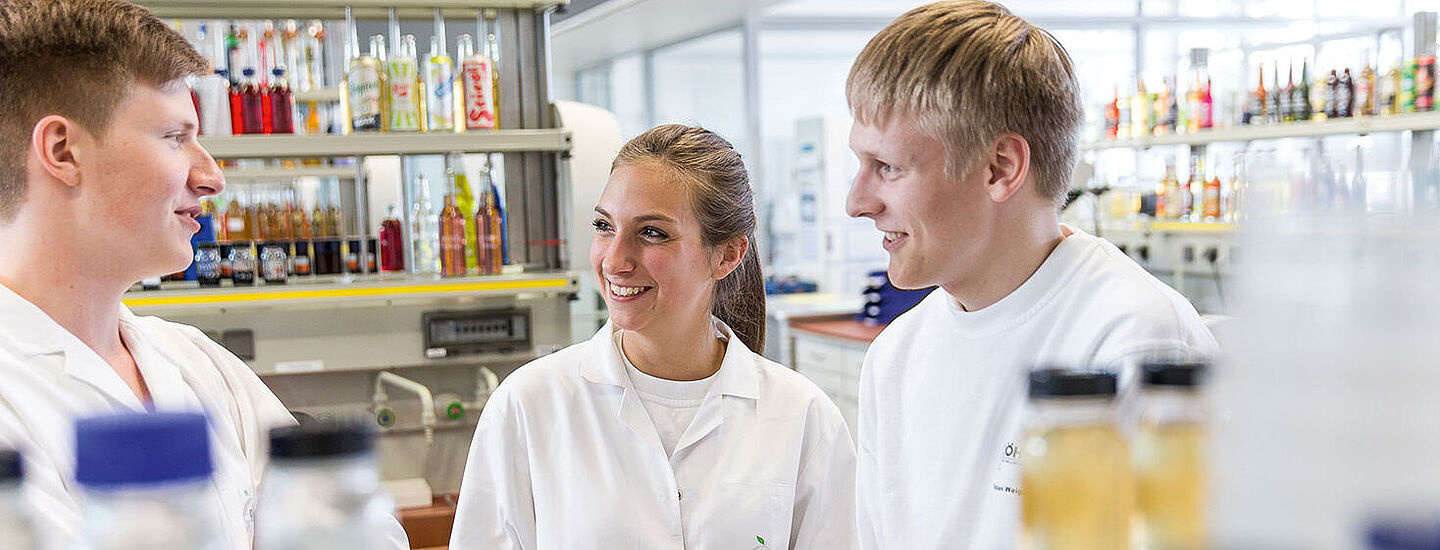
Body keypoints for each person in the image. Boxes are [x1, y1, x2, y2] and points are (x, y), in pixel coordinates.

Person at [0, 2, 410, 548]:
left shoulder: (196, 364)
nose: (212, 176)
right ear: (63, 149)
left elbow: (363, 533)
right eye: (175, 136)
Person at [843, 2, 1220, 548]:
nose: (857, 202)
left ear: (1000, 168)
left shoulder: (1136, 343)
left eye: (890, 167)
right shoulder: (895, 356)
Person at [450, 124, 857, 549]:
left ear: (727, 254)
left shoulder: (802, 416)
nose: (614, 260)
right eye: (604, 226)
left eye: (652, 233)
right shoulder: (530, 404)